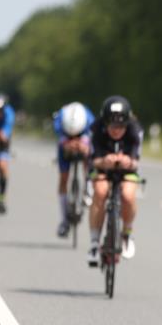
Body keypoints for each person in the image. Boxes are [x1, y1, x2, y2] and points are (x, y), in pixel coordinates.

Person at [87, 96, 143, 266]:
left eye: (120, 126)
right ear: (104, 123)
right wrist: (104, 161)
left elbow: (136, 161)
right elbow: (92, 159)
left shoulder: (135, 130)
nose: (116, 130)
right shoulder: (95, 129)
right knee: (100, 191)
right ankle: (94, 243)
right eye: (112, 126)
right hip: (102, 167)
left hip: (127, 170)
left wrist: (128, 161)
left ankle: (126, 234)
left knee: (127, 195)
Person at [53, 101, 96, 237]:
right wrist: (66, 142)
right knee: (63, 178)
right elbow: (59, 134)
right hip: (64, 141)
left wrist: (83, 143)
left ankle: (88, 188)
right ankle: (64, 220)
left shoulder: (88, 118)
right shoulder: (60, 118)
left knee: (88, 158)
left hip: (85, 138)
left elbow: (94, 133)